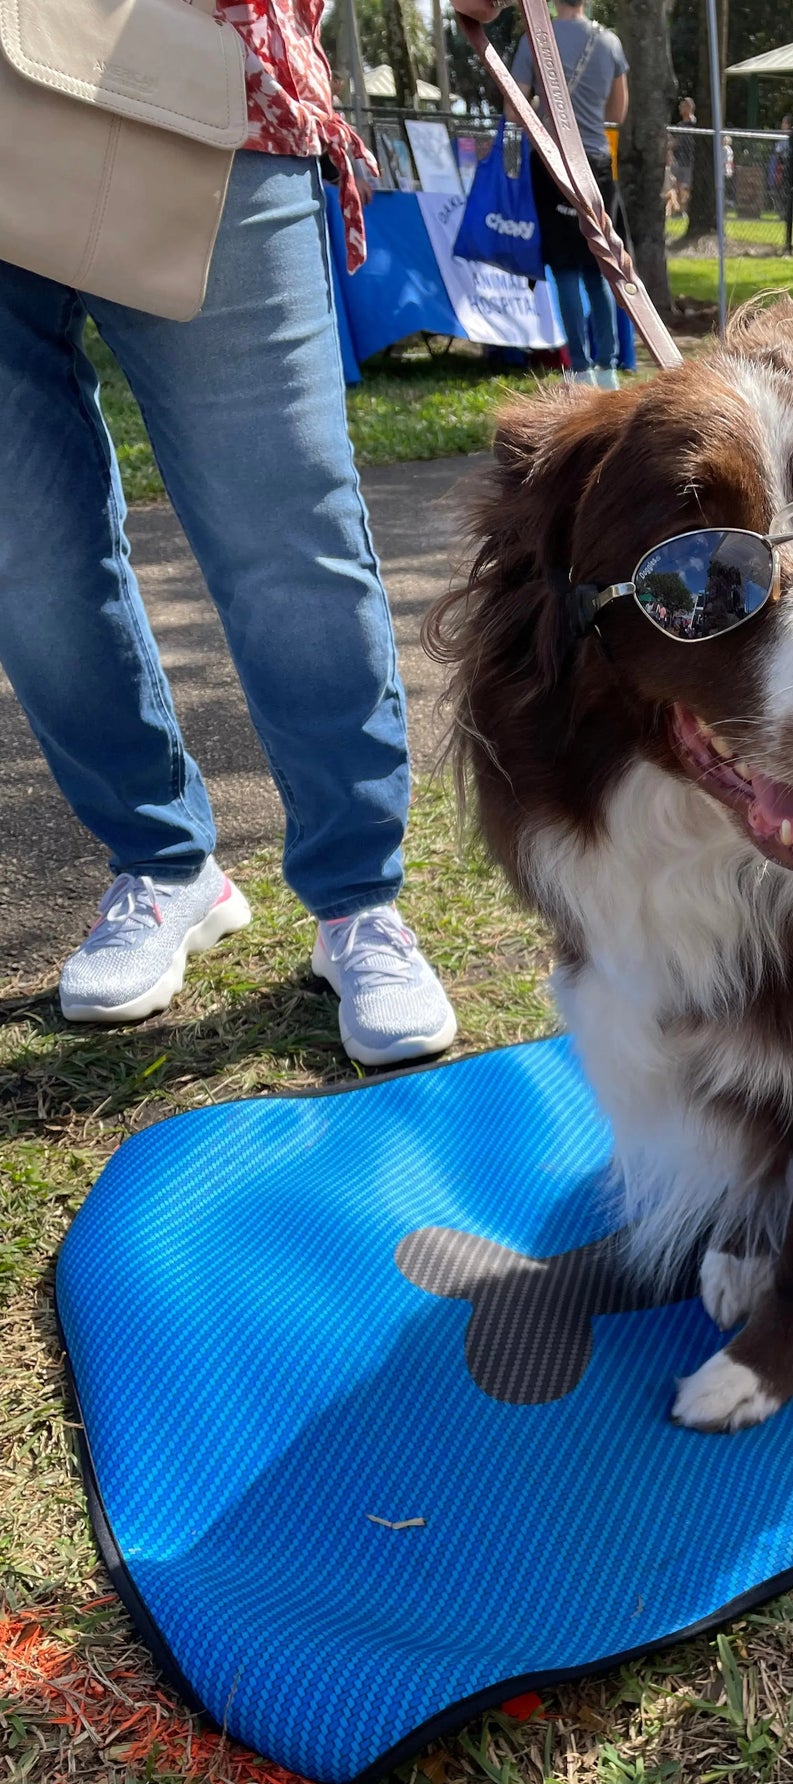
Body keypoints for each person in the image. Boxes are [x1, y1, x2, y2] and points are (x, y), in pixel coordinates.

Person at [0, 0, 457, 1067]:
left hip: (197, 81)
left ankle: (357, 901)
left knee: (285, 532)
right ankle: (163, 865)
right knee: (27, 556)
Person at [508, 0, 629, 389]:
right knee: (598, 266)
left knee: (565, 269)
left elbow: (514, 110)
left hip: (552, 162)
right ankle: (608, 368)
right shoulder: (609, 42)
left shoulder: (533, 39)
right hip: (595, 163)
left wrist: (546, 106)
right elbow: (618, 111)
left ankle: (579, 368)